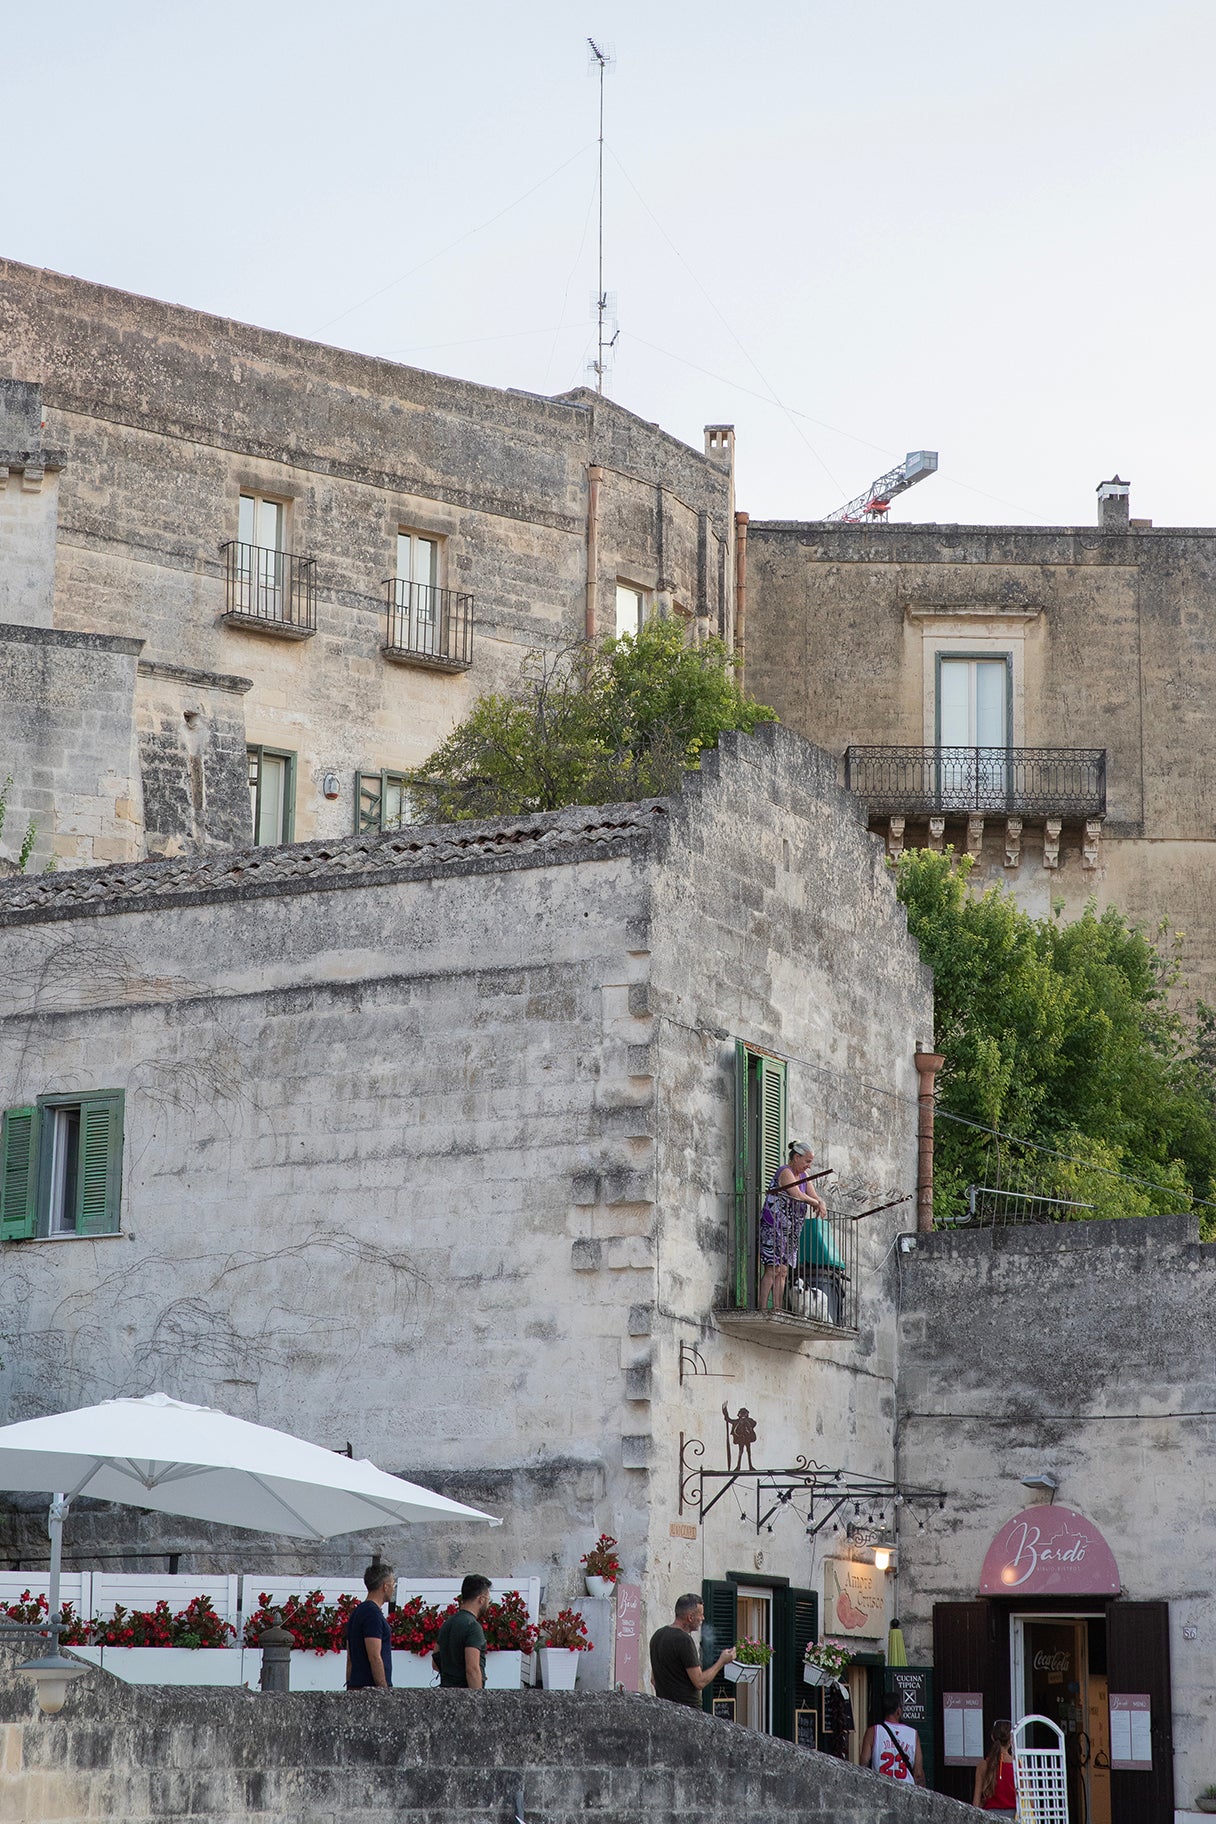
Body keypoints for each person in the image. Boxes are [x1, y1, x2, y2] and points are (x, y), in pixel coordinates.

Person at [758, 1140, 826, 1315]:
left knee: (783, 1270)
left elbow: (814, 1195)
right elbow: (796, 1194)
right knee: (772, 1268)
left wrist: (821, 1203)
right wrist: (815, 1203)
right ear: (796, 1157)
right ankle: (763, 1308)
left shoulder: (803, 1177)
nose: (808, 1166)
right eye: (807, 1161)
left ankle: (778, 1309)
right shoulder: (785, 1172)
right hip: (774, 1227)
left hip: (791, 1231)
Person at [648, 1592, 735, 1705]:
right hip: (687, 1711)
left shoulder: (657, 1635)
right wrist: (722, 1661)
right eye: (701, 1614)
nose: (703, 1618)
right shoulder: (684, 1640)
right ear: (690, 1617)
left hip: (664, 1709)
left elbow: (653, 1680)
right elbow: (699, 1682)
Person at [345, 1561, 396, 1690]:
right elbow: (374, 1656)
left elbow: (350, 1657)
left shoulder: (358, 1612)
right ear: (385, 1586)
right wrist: (384, 1690)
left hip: (356, 1685)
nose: (393, 1589)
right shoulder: (372, 1614)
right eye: (393, 1584)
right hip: (370, 1690)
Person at [436, 1573, 492, 1689]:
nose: (488, 1603)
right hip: (464, 1697)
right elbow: (472, 1670)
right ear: (481, 1599)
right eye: (488, 1599)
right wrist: (478, 1701)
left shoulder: (447, 1624)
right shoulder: (473, 1626)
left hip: (444, 1693)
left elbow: (435, 1661)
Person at [862, 1691, 926, 1786]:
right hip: (906, 1790)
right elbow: (918, 1774)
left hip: (880, 1788)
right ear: (898, 1711)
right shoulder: (913, 1734)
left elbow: (864, 1765)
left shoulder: (872, 1731)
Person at [973, 1718, 1017, 1813]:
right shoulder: (1018, 1765)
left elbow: (976, 1803)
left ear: (992, 1737)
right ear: (1011, 1740)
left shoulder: (983, 1765)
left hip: (990, 1815)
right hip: (1014, 1816)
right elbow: (1031, 1802)